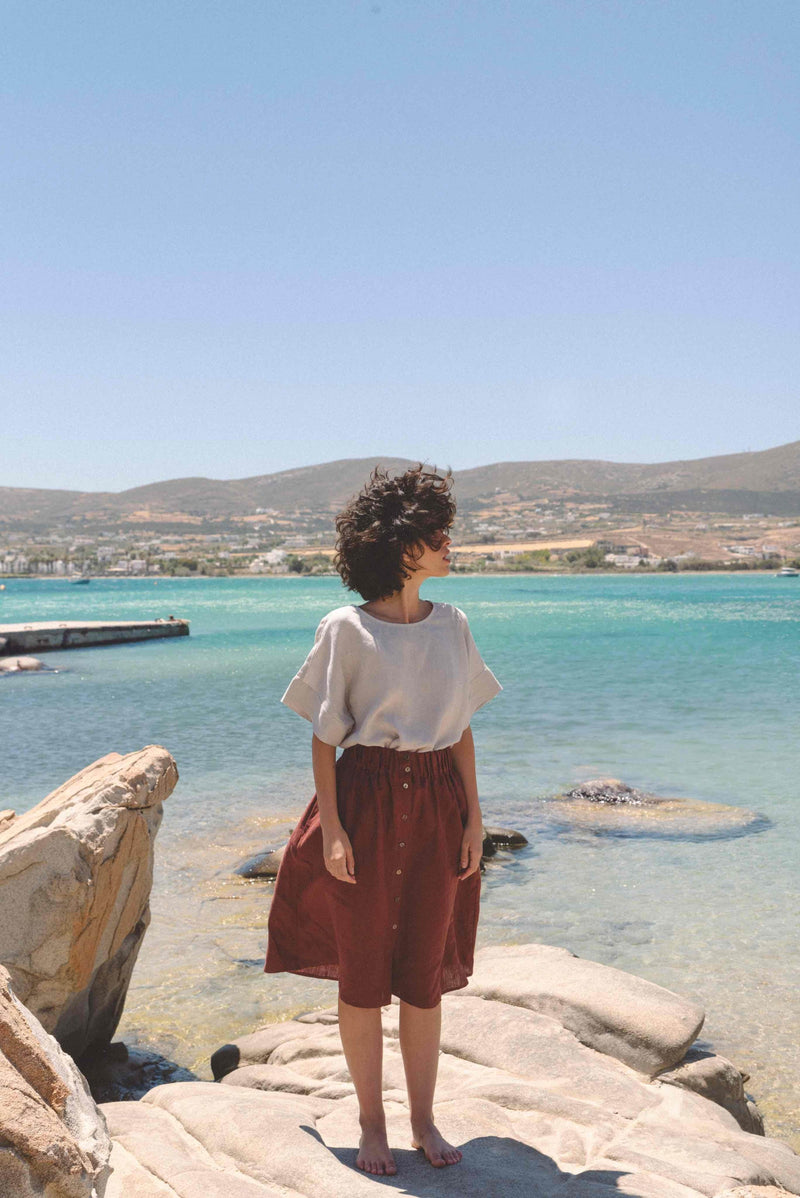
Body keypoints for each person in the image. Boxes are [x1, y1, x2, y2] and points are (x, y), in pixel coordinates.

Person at [264, 463, 501, 1176]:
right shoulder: (344, 629)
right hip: (363, 798)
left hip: (438, 805)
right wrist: (332, 828)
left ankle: (424, 1122)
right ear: (402, 546)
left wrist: (474, 820)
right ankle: (371, 1126)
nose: (449, 543)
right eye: (437, 534)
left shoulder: (453, 626)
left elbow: (459, 730)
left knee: (423, 978)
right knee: (363, 978)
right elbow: (324, 736)